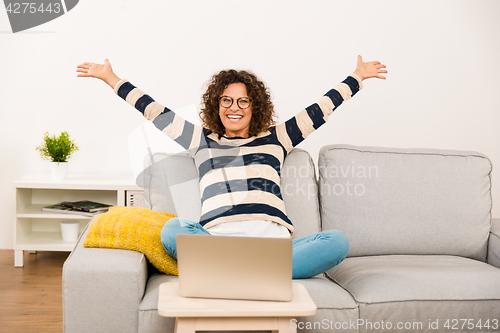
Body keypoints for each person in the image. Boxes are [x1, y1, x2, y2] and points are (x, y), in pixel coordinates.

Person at [76, 56, 387, 279]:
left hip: (272, 246)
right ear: (217, 106)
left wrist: (357, 77)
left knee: (337, 242)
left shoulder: (277, 139)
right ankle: (253, 273)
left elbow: (319, 110)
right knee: (173, 229)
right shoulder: (201, 141)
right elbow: (155, 112)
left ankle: (231, 273)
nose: (234, 108)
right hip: (219, 243)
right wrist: (111, 79)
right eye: (226, 101)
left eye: (242, 101)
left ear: (255, 106)